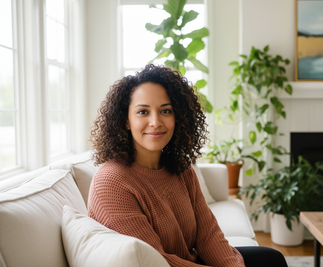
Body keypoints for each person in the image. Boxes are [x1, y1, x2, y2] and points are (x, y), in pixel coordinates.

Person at [87, 64, 288, 267]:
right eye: (143, 112)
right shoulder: (111, 183)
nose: (156, 122)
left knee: (272, 259)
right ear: (126, 121)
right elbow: (156, 261)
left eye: (165, 111)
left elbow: (208, 234)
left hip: (188, 262)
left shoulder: (180, 168)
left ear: (178, 117)